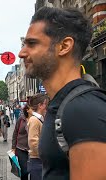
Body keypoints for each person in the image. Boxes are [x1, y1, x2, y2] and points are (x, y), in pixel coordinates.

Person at [19, 7, 106, 180]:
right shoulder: (63, 104)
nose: (22, 53)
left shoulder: (82, 110)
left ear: (64, 46)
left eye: (32, 43)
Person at [27, 94, 49, 180]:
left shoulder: (39, 119)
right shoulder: (34, 120)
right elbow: (33, 142)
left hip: (39, 161)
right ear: (40, 105)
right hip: (37, 161)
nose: (47, 106)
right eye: (45, 104)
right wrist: (45, 155)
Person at [12, 105, 32, 180]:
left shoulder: (36, 119)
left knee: (33, 171)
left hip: (33, 149)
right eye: (31, 108)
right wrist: (13, 147)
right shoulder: (21, 119)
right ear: (27, 110)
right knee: (24, 171)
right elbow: (15, 133)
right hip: (21, 148)